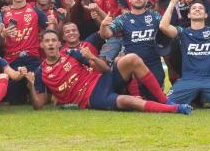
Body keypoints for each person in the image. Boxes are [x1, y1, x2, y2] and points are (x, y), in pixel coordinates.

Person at [26, 30, 191, 115]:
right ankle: (176, 109)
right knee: (130, 101)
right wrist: (31, 85)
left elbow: (104, 69)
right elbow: (39, 105)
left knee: (131, 58)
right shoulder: (41, 72)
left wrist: (92, 57)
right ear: (41, 45)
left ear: (59, 43)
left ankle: (166, 101)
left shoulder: (71, 54)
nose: (51, 44)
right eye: (47, 41)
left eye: (53, 40)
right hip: (92, 97)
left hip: (102, 80)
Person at [100, 0, 166, 93]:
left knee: (154, 97)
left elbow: (168, 29)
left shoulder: (155, 16)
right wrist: (103, 26)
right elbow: (106, 34)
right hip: (131, 69)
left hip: (153, 65)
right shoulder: (123, 19)